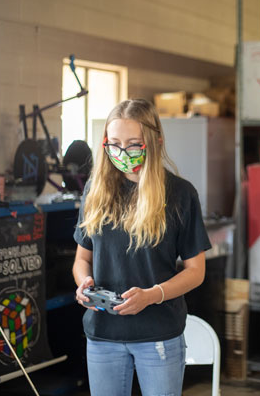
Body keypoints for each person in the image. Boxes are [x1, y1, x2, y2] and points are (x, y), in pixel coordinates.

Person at [72, 99, 211, 396]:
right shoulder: (95, 191)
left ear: (154, 142)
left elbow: (196, 271)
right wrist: (83, 283)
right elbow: (82, 258)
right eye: (115, 143)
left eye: (133, 143)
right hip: (103, 334)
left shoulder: (180, 194)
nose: (122, 152)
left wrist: (151, 296)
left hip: (157, 334)